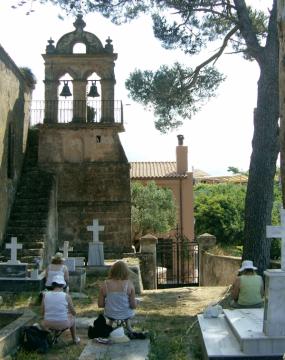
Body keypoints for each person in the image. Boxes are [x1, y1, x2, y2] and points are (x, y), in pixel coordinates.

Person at [98, 260, 137, 332]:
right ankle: (128, 325)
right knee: (131, 305)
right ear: (126, 272)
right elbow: (133, 305)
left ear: (112, 271)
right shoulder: (129, 284)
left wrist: (110, 303)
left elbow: (100, 304)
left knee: (112, 307)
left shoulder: (105, 284)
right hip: (126, 313)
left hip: (110, 313)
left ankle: (110, 324)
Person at [41, 274, 80, 344]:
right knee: (72, 317)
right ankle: (74, 339)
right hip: (63, 323)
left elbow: (42, 312)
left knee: (52, 316)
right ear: (63, 285)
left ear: (53, 285)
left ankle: (53, 335)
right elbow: (74, 312)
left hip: (47, 323)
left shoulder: (45, 295)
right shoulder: (66, 296)